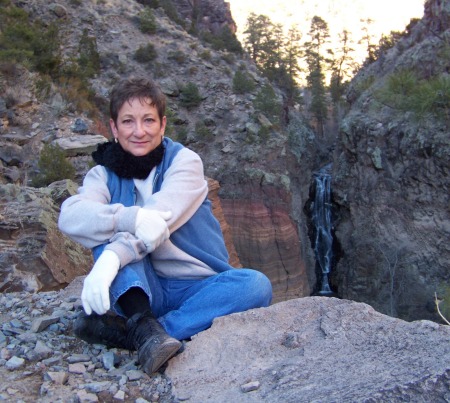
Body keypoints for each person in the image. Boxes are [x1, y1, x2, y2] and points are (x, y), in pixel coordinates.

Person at [58, 76, 272, 375]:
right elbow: (71, 215)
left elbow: (160, 220)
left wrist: (111, 257)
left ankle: (141, 334)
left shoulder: (184, 162)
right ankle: (145, 325)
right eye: (128, 121)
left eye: (148, 120)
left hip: (197, 288)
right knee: (104, 228)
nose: (139, 131)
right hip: (141, 289)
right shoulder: (102, 175)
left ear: (163, 124)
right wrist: (127, 219)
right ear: (114, 127)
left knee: (255, 285)